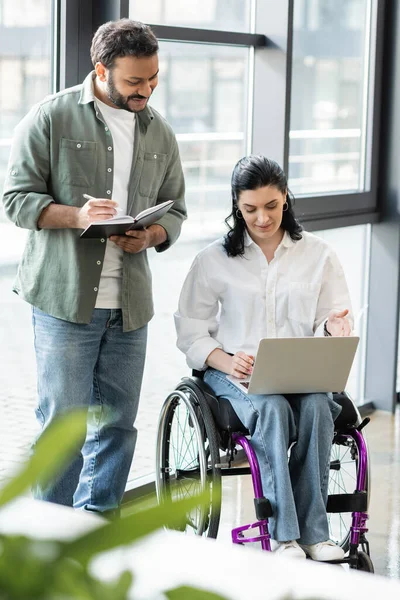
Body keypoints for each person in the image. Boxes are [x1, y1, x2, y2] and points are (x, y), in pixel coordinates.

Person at [2, 19, 186, 516]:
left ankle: (95, 534)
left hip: (130, 307)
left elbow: (177, 210)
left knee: (119, 425)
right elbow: (15, 201)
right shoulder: (51, 118)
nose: (145, 91)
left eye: (152, 80)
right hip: (64, 301)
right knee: (63, 427)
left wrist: (149, 234)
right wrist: (77, 216)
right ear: (101, 70)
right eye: (133, 81)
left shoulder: (160, 132)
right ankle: (49, 542)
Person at [175, 155, 353, 561]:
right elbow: (190, 329)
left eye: (271, 206)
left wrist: (333, 328)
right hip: (233, 372)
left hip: (300, 372)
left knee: (316, 408)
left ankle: (315, 535)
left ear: (286, 199)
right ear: (236, 206)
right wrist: (223, 358)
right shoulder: (213, 259)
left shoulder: (319, 255)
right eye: (250, 209)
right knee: (271, 408)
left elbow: (333, 316)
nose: (262, 218)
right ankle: (284, 536)